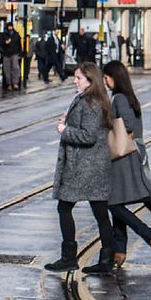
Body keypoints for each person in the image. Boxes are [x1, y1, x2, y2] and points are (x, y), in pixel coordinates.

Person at [44, 61, 116, 274]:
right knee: (100, 213)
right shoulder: (88, 100)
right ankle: (106, 259)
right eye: (75, 77)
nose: (74, 81)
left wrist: (64, 130)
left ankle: (69, 258)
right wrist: (69, 122)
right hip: (90, 166)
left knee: (66, 207)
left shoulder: (91, 103)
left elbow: (89, 136)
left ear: (90, 81)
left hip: (85, 167)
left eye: (78, 78)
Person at [103, 61, 151, 268]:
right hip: (130, 156)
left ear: (115, 77)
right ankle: (120, 251)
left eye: (107, 77)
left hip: (123, 157)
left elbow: (128, 126)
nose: (105, 81)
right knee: (117, 202)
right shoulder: (128, 97)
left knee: (112, 203)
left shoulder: (119, 98)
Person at [0, 23, 22, 92]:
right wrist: (5, 43)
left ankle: (15, 83)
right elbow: (0, 44)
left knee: (15, 67)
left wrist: (19, 53)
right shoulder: (3, 35)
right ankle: (9, 84)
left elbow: (19, 45)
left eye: (11, 26)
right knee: (7, 69)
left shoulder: (16, 35)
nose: (10, 28)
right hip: (6, 54)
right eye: (9, 27)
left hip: (14, 53)